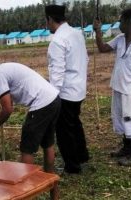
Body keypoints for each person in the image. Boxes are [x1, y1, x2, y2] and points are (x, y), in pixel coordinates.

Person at [0, 47, 61, 200]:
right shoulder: (4, 68)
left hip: (41, 104)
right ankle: (52, 187)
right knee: (48, 143)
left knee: (27, 149)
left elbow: (7, 109)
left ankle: (27, 193)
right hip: (54, 99)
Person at [93, 8, 131, 166]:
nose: (119, 23)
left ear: (129, 21)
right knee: (120, 119)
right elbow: (103, 48)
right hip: (118, 87)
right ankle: (126, 148)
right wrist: (98, 31)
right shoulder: (120, 39)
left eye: (121, 20)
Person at [45, 4, 89, 174]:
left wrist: (52, 96)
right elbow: (84, 58)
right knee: (75, 123)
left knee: (64, 130)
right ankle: (82, 156)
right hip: (78, 88)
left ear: (49, 19)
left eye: (46, 21)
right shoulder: (76, 34)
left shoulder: (57, 40)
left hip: (65, 92)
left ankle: (72, 165)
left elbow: (57, 72)